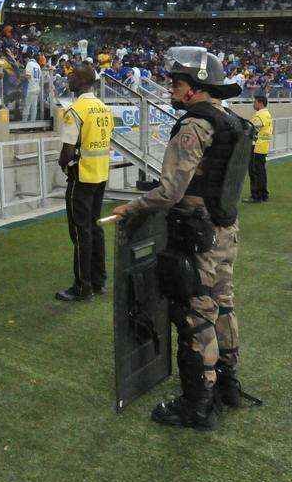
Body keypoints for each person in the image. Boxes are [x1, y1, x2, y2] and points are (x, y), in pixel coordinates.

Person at [109, 46, 252, 432]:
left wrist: (135, 205)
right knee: (223, 305)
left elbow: (172, 191)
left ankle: (197, 403)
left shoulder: (194, 126)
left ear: (193, 88)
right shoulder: (233, 121)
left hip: (198, 235)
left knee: (196, 315)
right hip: (226, 229)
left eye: (176, 82)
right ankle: (228, 384)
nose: (170, 88)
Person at [54, 64, 112, 302]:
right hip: (101, 175)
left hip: (81, 176)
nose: (68, 79)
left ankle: (82, 286)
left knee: (80, 232)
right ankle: (98, 281)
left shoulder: (75, 110)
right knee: (95, 228)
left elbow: (67, 150)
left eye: (72, 76)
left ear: (80, 81)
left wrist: (62, 164)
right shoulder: (103, 108)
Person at [246, 94, 272, 202]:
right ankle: (263, 194)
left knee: (254, 172)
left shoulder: (259, 116)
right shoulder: (267, 114)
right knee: (261, 172)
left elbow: (250, 129)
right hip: (263, 146)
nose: (253, 104)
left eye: (255, 102)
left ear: (260, 102)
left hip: (256, 147)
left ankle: (256, 196)